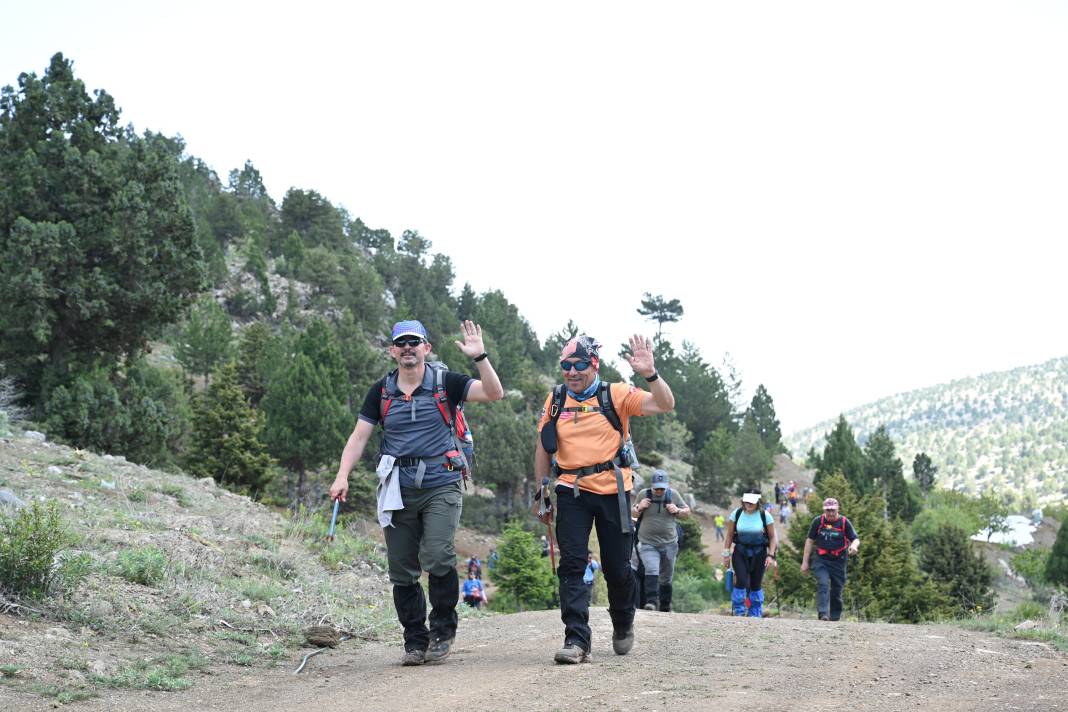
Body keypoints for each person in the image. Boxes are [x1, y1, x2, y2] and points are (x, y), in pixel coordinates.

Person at [330, 319, 504, 666]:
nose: (408, 348)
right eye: (401, 343)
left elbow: (494, 393)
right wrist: (342, 475)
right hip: (398, 486)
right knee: (401, 568)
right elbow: (359, 437)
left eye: (414, 342)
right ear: (393, 351)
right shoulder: (380, 391)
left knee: (438, 555)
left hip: (442, 482)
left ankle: (442, 631)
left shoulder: (447, 382)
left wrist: (479, 356)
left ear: (426, 348)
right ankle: (415, 640)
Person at [535, 334, 675, 664]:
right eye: (565, 366)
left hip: (614, 489)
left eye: (579, 365)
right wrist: (541, 491)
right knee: (571, 565)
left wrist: (651, 374)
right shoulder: (555, 399)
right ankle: (576, 639)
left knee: (617, 568)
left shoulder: (616, 394)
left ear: (593, 364)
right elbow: (543, 444)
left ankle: (623, 621)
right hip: (570, 488)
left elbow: (666, 404)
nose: (571, 371)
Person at [633, 469, 690, 612]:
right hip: (647, 542)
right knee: (651, 569)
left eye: (662, 488)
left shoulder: (673, 495)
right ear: (652, 485)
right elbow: (632, 511)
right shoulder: (643, 494)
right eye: (657, 488)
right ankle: (651, 602)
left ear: (667, 486)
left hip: (669, 543)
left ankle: (665, 605)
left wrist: (677, 510)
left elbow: (687, 513)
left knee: (666, 576)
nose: (659, 491)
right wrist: (640, 507)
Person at [800, 497, 860, 621]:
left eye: (833, 510)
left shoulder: (844, 522)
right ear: (824, 510)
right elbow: (810, 540)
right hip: (821, 559)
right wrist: (805, 562)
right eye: (828, 510)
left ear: (838, 509)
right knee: (823, 583)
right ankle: (823, 614)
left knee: (837, 590)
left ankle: (835, 617)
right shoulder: (818, 521)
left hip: (839, 560)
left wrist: (854, 546)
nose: (831, 513)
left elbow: (855, 538)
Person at [722, 492, 778, 617]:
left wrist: (771, 555)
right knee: (741, 580)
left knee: (756, 583)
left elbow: (772, 537)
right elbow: (730, 535)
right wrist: (726, 554)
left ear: (757, 502)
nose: (749, 504)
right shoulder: (736, 514)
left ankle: (755, 613)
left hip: (760, 553)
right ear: (743, 501)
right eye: (747, 502)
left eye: (752, 502)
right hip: (740, 552)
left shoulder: (765, 515)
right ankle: (739, 611)